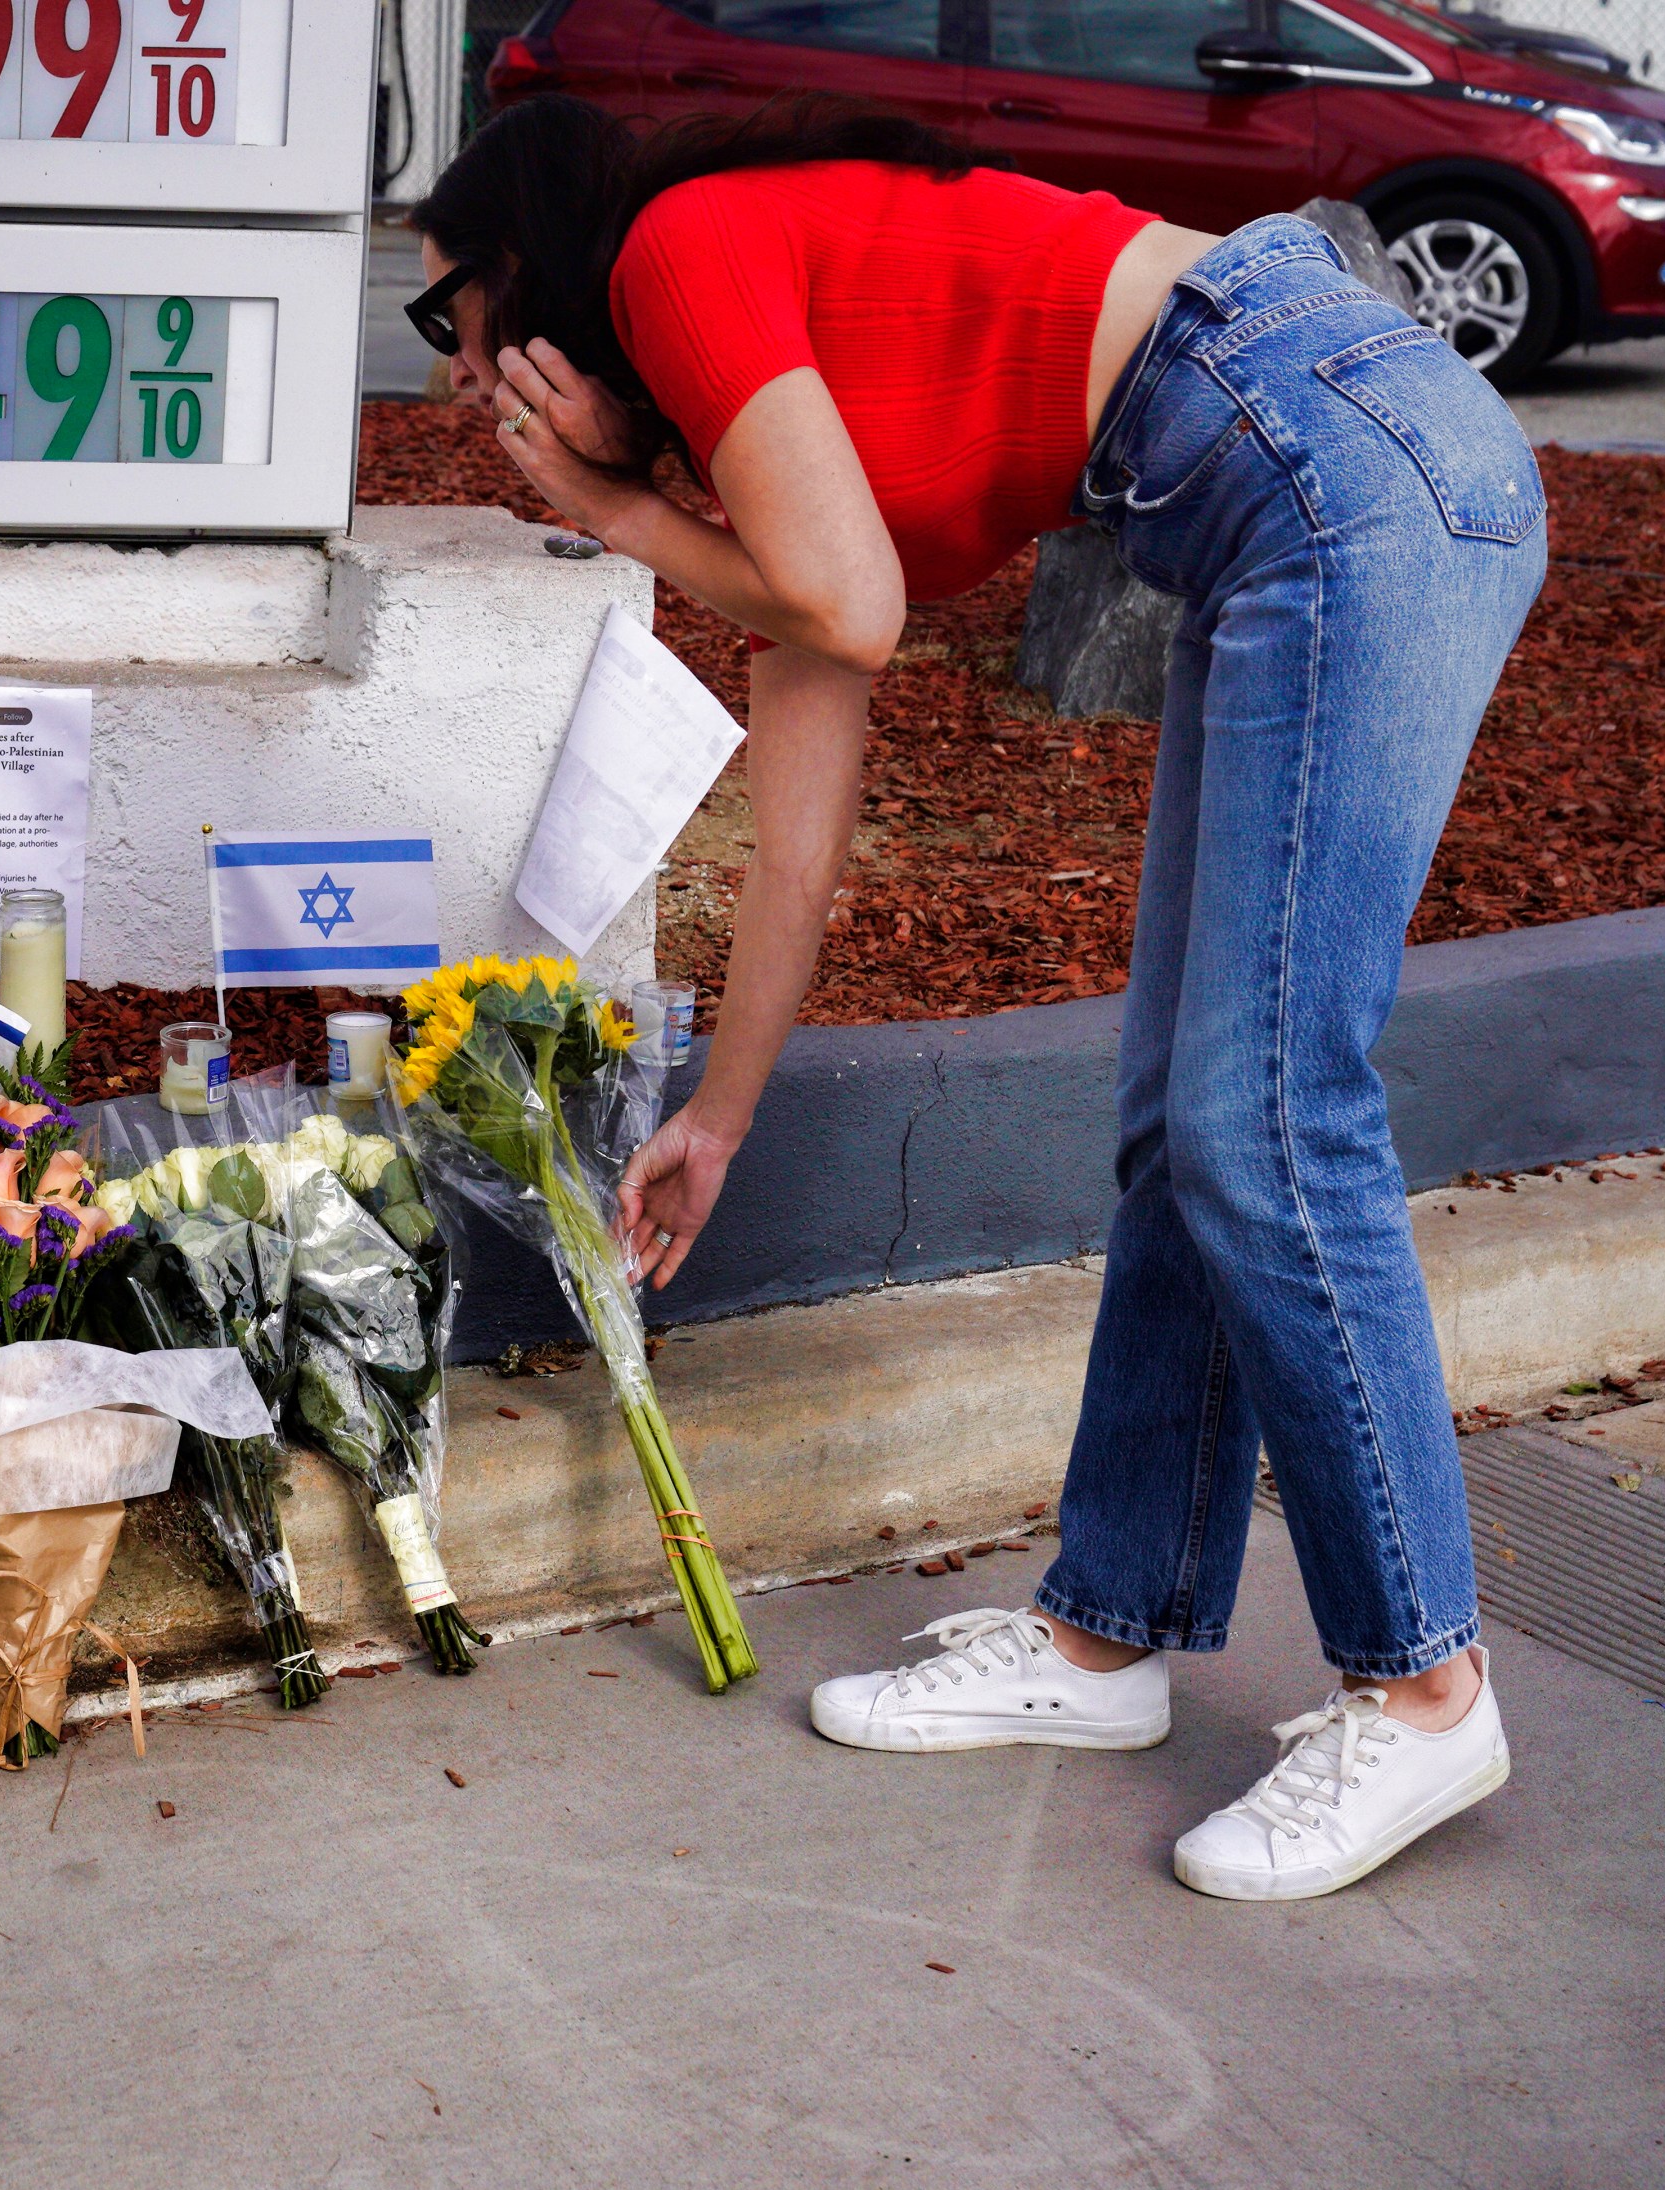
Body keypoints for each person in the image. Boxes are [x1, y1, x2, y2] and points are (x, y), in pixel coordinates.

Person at [408, 96, 1544, 1901]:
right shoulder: (755, 452)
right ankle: (1109, 1632)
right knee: (1191, 1119)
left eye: (447, 314)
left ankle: (1422, 1686)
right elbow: (801, 822)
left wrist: (611, 504)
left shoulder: (676, 247)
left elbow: (845, 609)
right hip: (1304, 486)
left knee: (1268, 1114)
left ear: (532, 265)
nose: (466, 379)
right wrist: (720, 1114)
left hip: (1340, 455)